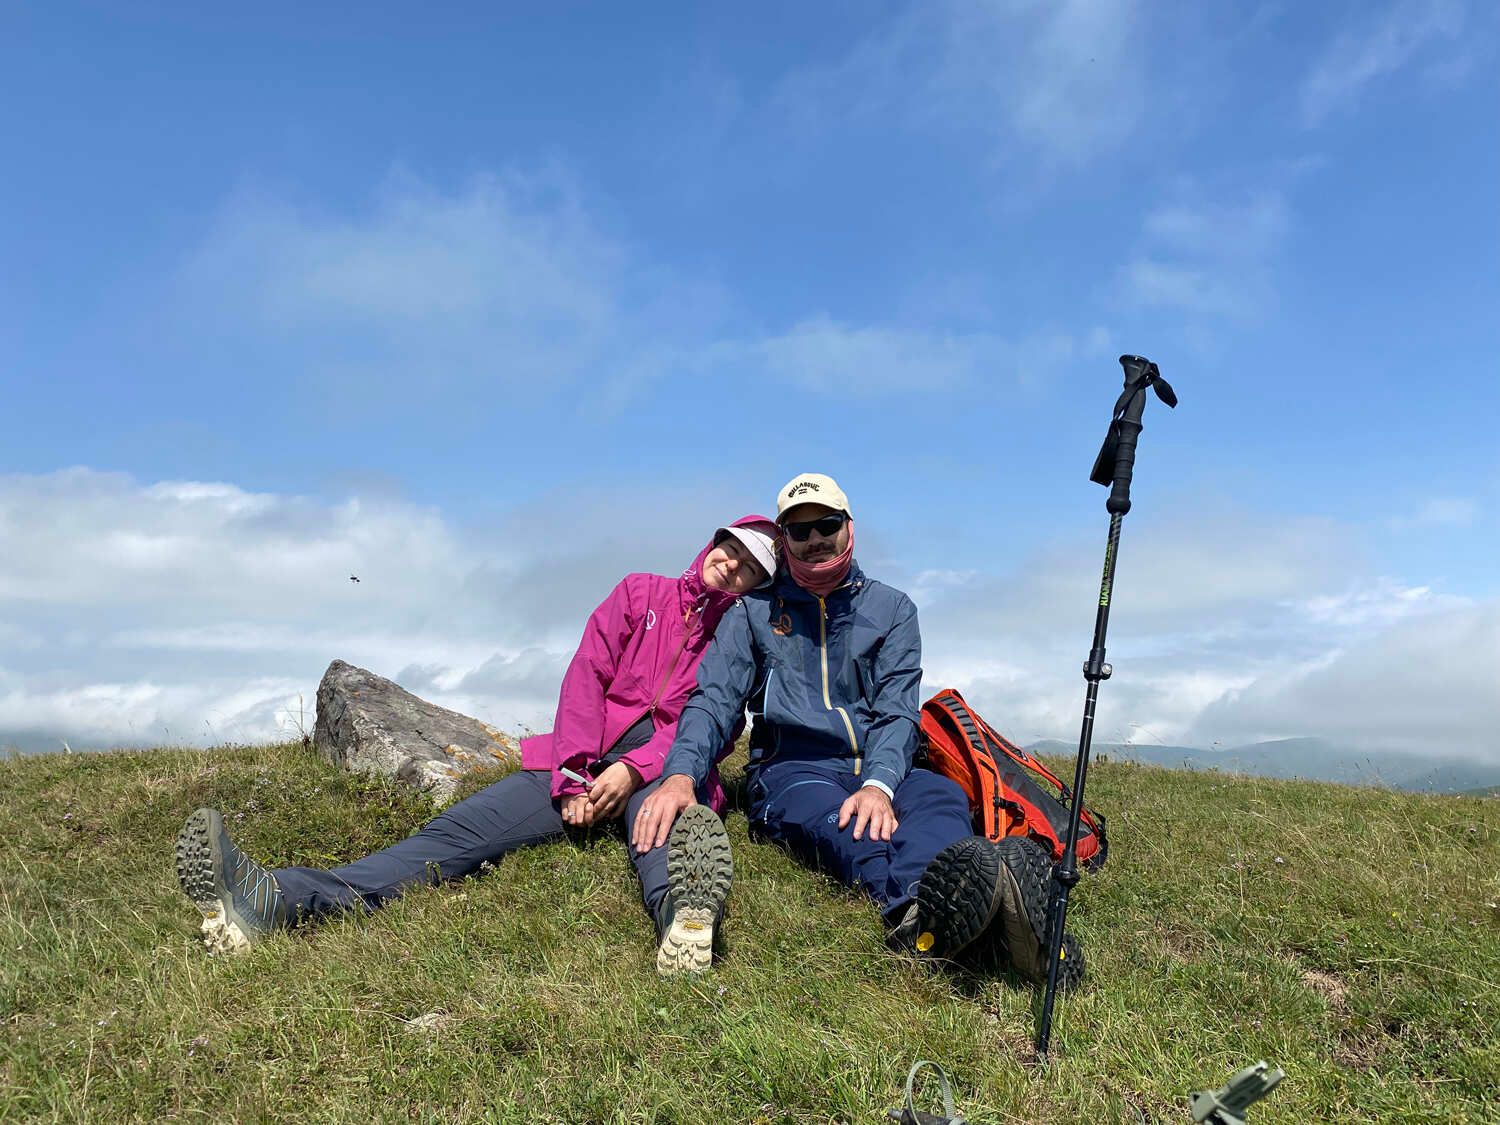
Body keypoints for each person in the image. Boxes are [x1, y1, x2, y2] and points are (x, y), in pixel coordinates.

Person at [175, 515, 778, 976]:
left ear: (756, 587)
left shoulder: (738, 638)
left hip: (663, 769)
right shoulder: (639, 592)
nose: (731, 566)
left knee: (661, 828)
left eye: (749, 568)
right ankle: (275, 899)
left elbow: (712, 722)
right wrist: (570, 775)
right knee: (447, 841)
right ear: (711, 544)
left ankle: (684, 922)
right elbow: (585, 678)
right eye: (730, 549)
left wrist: (631, 770)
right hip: (578, 759)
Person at [633, 474, 1077, 984]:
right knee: (853, 832)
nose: (815, 538)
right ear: (784, 543)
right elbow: (714, 700)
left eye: (827, 524)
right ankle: (947, 915)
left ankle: (953, 910)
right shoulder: (752, 613)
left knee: (939, 803)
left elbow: (897, 710)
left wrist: (879, 783)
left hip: (888, 763)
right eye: (800, 532)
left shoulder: (893, 609)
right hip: (794, 767)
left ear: (850, 528)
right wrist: (681, 775)